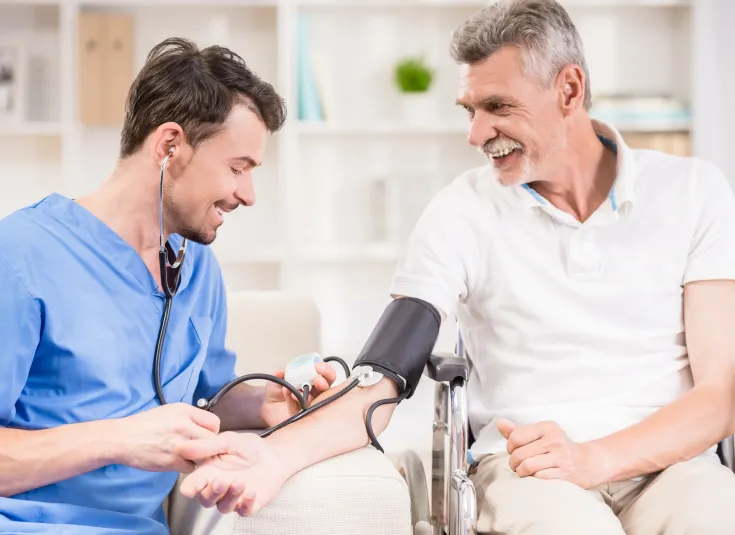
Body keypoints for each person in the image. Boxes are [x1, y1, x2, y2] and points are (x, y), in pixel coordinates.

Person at [174, 0, 735, 533]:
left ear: (569, 89)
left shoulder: (693, 192)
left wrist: (596, 458)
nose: (476, 134)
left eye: (498, 107)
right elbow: (383, 376)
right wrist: (272, 458)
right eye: (470, 110)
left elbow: (721, 394)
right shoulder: (463, 210)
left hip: (675, 466)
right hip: (525, 468)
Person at [0, 37, 355, 535]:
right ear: (170, 146)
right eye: (238, 169)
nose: (248, 195)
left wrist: (264, 401)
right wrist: (119, 440)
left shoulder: (196, 267)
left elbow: (200, 400)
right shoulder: (19, 253)